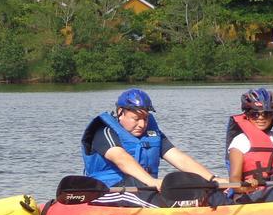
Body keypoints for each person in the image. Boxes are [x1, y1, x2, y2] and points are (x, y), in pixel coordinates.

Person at [81, 88, 227, 207]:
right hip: (110, 191)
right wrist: (152, 182)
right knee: (141, 186)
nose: (142, 124)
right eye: (136, 118)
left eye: (145, 118)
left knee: (194, 183)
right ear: (120, 112)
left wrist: (212, 179)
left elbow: (179, 158)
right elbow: (121, 159)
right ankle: (180, 207)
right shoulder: (103, 131)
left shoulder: (152, 134)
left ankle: (223, 203)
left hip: (145, 188)